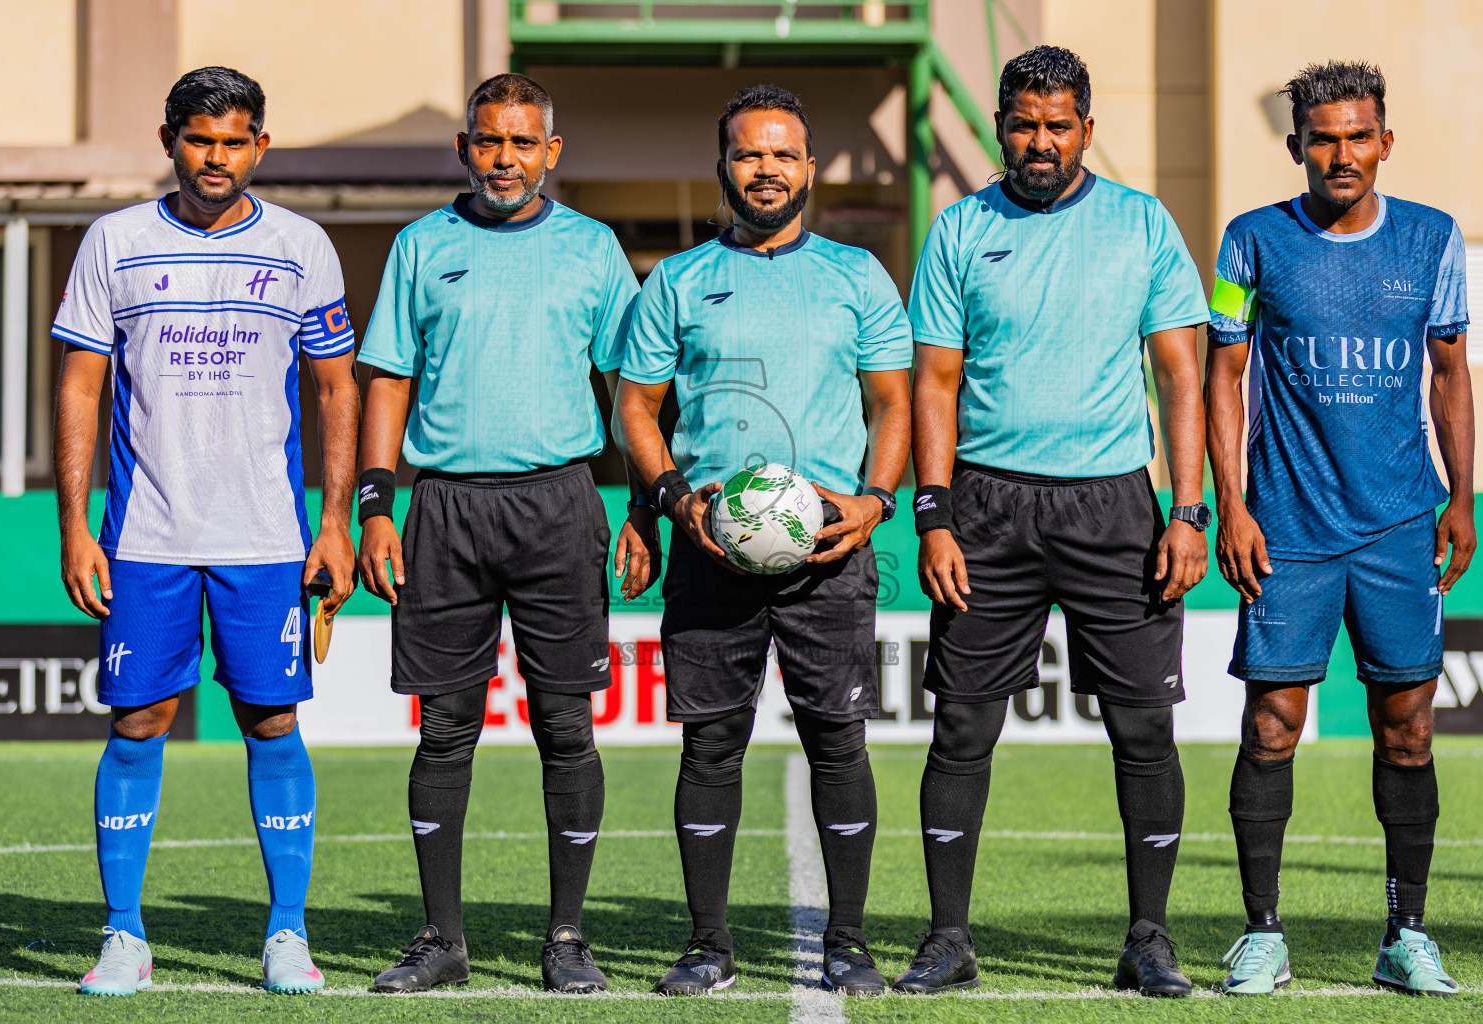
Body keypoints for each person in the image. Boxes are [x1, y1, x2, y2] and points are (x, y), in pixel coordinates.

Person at [896, 46, 1209, 998]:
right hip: (986, 508)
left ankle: (1148, 938)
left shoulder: (1141, 223)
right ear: (1000, 126)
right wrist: (935, 514)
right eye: (1024, 124)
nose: (1041, 141)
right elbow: (935, 384)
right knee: (959, 729)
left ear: (1086, 126)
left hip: (1114, 505)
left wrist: (1187, 509)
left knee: (1144, 729)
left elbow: (1181, 374)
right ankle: (948, 938)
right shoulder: (958, 228)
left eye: (1058, 124)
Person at [52, 66, 358, 996]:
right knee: (138, 719)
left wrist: (335, 521)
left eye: (234, 141)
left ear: (260, 146)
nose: (215, 158)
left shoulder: (303, 245)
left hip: (266, 537)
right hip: (145, 535)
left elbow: (338, 387)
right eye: (199, 140)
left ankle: (287, 934)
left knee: (272, 719)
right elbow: (78, 385)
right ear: (168, 140)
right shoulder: (116, 240)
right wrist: (75, 525)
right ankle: (124, 935)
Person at [355, 73, 657, 995]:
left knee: (566, 725)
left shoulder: (594, 249)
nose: (506, 160)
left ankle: (566, 937)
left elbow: (635, 389)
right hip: (444, 506)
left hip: (561, 504)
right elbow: (388, 379)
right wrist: (375, 502)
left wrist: (643, 508)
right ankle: (442, 938)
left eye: (523, 144)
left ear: (551, 153)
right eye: (489, 142)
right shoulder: (420, 247)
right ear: (464, 148)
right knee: (445, 727)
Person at [616, 84, 912, 995]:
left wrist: (873, 500)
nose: (767, 170)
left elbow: (895, 401)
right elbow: (636, 406)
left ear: (810, 170)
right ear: (724, 169)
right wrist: (668, 500)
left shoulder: (858, 274)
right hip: (712, 552)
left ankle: (849, 940)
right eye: (749, 154)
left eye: (784, 155)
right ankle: (708, 944)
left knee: (840, 741)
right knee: (710, 746)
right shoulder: (675, 279)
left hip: (827, 550)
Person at [1206, 61, 1475, 998]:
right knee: (1272, 724)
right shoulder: (1250, 242)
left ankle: (1406, 934)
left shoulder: (1434, 240)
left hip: (1401, 525)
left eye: (1359, 135)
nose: (1342, 153)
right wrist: (1231, 504)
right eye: (1324, 137)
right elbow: (1224, 376)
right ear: (1297, 148)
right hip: (1287, 527)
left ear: (1385, 143)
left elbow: (1450, 373)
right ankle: (1262, 934)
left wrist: (1464, 498)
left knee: (1407, 729)